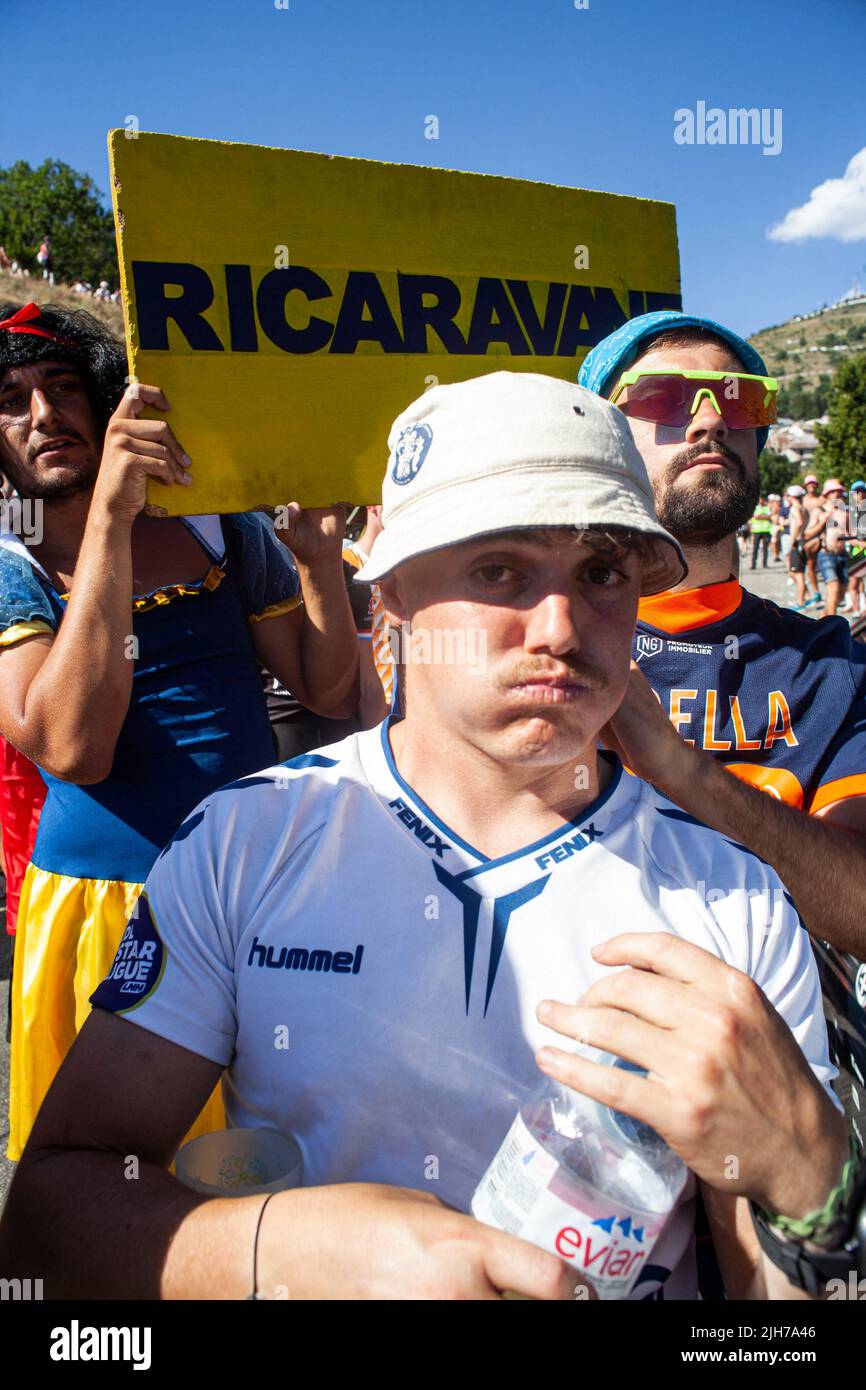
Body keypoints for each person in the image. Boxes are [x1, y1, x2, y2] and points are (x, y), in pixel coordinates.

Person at [0, 372, 851, 1301]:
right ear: (392, 605)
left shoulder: (733, 896)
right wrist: (280, 1251)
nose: (561, 628)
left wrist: (811, 1192)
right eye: (499, 571)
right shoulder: (244, 843)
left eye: (602, 573)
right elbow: (47, 1222)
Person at [0, 300, 360, 1160]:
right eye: (10, 400)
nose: (44, 416)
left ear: (105, 398)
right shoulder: (9, 563)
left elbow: (325, 687)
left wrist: (316, 563)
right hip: (109, 913)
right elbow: (73, 749)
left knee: (270, 1161)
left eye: (61, 387)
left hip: (256, 896)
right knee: (122, 1190)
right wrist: (114, 522)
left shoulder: (219, 523)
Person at [579, 310, 866, 1142]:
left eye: (738, 399)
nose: (709, 418)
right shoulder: (537, 635)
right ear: (600, 435)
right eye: (668, 395)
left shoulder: (829, 663)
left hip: (775, 1087)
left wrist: (685, 771)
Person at [804, 479, 850, 618]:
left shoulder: (844, 511)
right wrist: (822, 522)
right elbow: (807, 533)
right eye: (834, 491)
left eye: (839, 491)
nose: (838, 493)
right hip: (826, 554)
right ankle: (832, 628)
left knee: (841, 593)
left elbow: (851, 533)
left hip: (843, 554)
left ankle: (823, 616)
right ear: (827, 493)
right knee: (833, 589)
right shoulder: (820, 511)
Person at [785, 484, 811, 610]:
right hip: (804, 541)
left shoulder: (794, 508)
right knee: (795, 572)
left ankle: (801, 602)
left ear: (791, 496)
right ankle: (808, 596)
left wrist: (793, 539)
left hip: (798, 542)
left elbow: (799, 522)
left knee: (797, 574)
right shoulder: (804, 508)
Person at [749, 495, 771, 569]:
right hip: (756, 530)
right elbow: (755, 517)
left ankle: (765, 564)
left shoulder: (767, 508)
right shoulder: (754, 508)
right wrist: (764, 516)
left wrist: (760, 517)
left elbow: (769, 517)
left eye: (761, 499)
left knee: (765, 549)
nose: (760, 501)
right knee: (755, 549)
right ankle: (753, 564)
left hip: (766, 530)